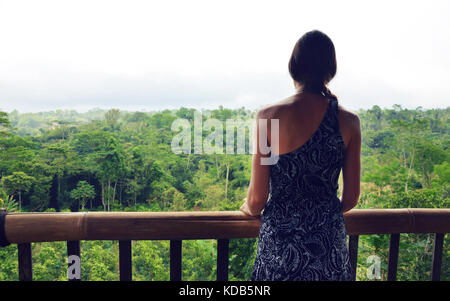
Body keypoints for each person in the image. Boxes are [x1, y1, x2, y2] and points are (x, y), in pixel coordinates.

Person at [240, 30, 361, 281]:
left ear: (293, 68)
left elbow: (257, 200)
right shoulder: (349, 122)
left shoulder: (269, 118)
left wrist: (247, 207)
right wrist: (318, 216)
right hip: (329, 248)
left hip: (281, 251)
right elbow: (350, 199)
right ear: (331, 70)